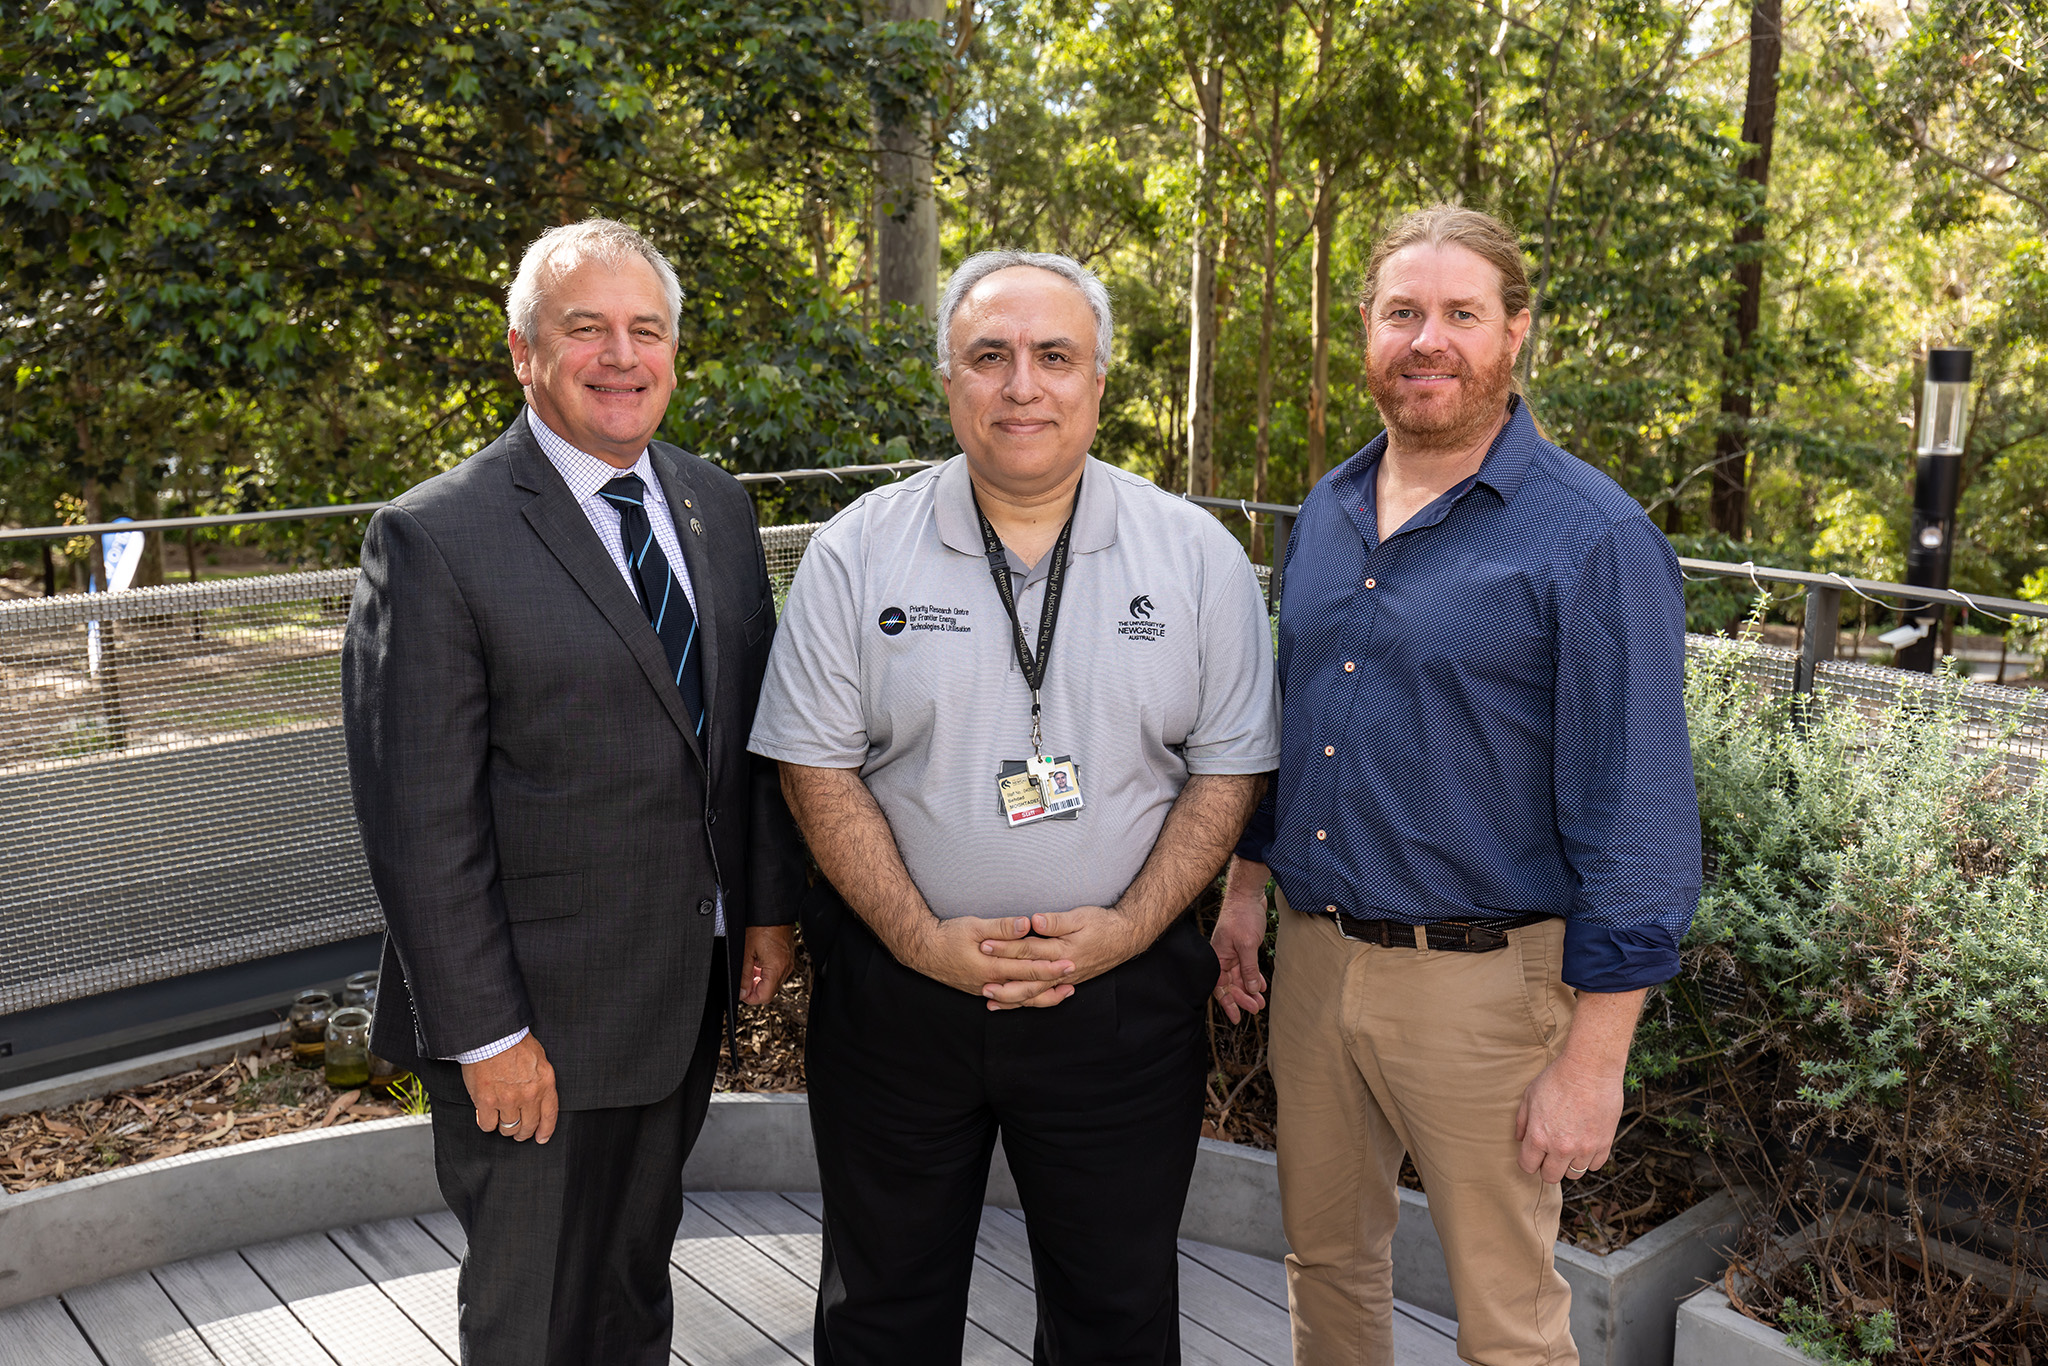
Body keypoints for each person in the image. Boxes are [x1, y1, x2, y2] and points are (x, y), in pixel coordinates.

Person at [749, 250, 1280, 1365]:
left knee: (1115, 1317)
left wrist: (1127, 929)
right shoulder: (855, 552)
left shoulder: (1197, 557)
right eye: (989, 356)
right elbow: (815, 768)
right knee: (881, 1313)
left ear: (1099, 382)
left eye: (1054, 357)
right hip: (898, 1000)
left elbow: (1228, 769)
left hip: (1118, 1005)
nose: (1022, 386)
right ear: (950, 381)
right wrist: (915, 938)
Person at [1212, 205, 1701, 1366]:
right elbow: (1292, 718)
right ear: (1365, 330)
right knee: (1324, 1265)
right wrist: (1244, 888)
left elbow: (1636, 812)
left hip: (1484, 991)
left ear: (1513, 332)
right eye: (1401, 312)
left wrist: (1592, 1063)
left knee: (1507, 1325)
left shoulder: (1590, 537)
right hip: (1313, 961)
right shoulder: (1325, 510)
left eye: (1459, 314)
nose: (1426, 339)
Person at [341, 218, 803, 1365]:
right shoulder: (435, 536)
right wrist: (487, 1034)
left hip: (677, 994)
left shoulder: (715, 507)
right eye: (585, 328)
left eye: (646, 329)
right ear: (522, 352)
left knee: (630, 1294)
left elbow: (744, 731)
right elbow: (418, 822)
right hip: (531, 1024)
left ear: (675, 352)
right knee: (534, 1321)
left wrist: (762, 908)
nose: (621, 356)